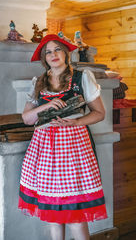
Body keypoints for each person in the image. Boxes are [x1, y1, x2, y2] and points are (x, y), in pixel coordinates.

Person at [18, 34, 107, 240]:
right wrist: (47, 105)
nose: (53, 54)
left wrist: (76, 122)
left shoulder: (81, 77)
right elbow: (27, 119)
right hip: (45, 150)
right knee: (53, 215)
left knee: (75, 213)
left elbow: (99, 113)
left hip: (73, 146)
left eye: (57, 49)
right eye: (48, 52)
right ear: (44, 58)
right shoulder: (38, 82)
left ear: (66, 53)